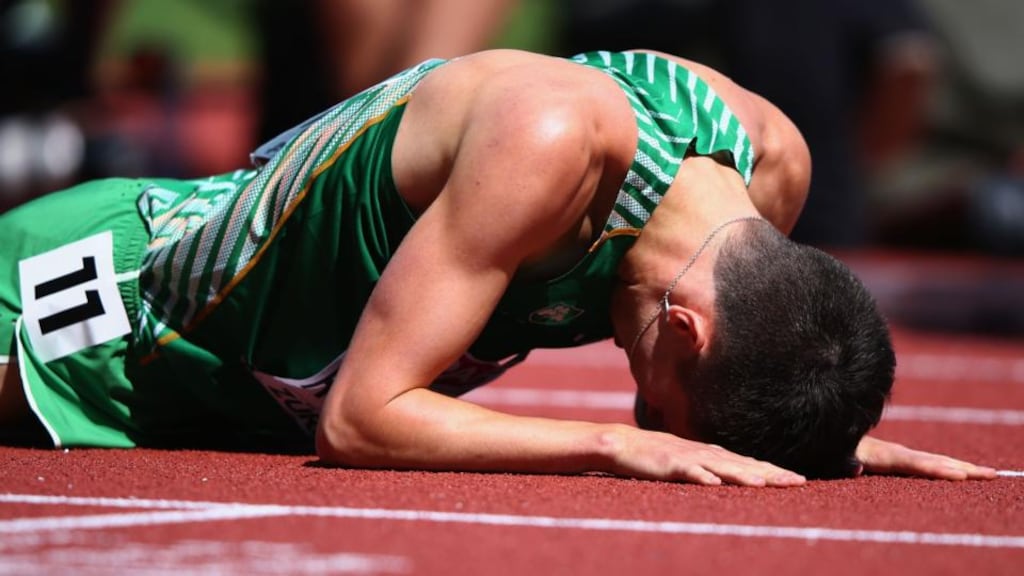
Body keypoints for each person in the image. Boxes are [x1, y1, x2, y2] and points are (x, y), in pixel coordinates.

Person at [0, 49, 995, 486]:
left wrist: (817, 439)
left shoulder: (766, 170)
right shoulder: (549, 140)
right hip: (128, 317)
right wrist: (618, 445)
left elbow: (761, 348)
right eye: (659, 404)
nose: (648, 416)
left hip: (247, 395)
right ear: (686, 326)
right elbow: (361, 420)